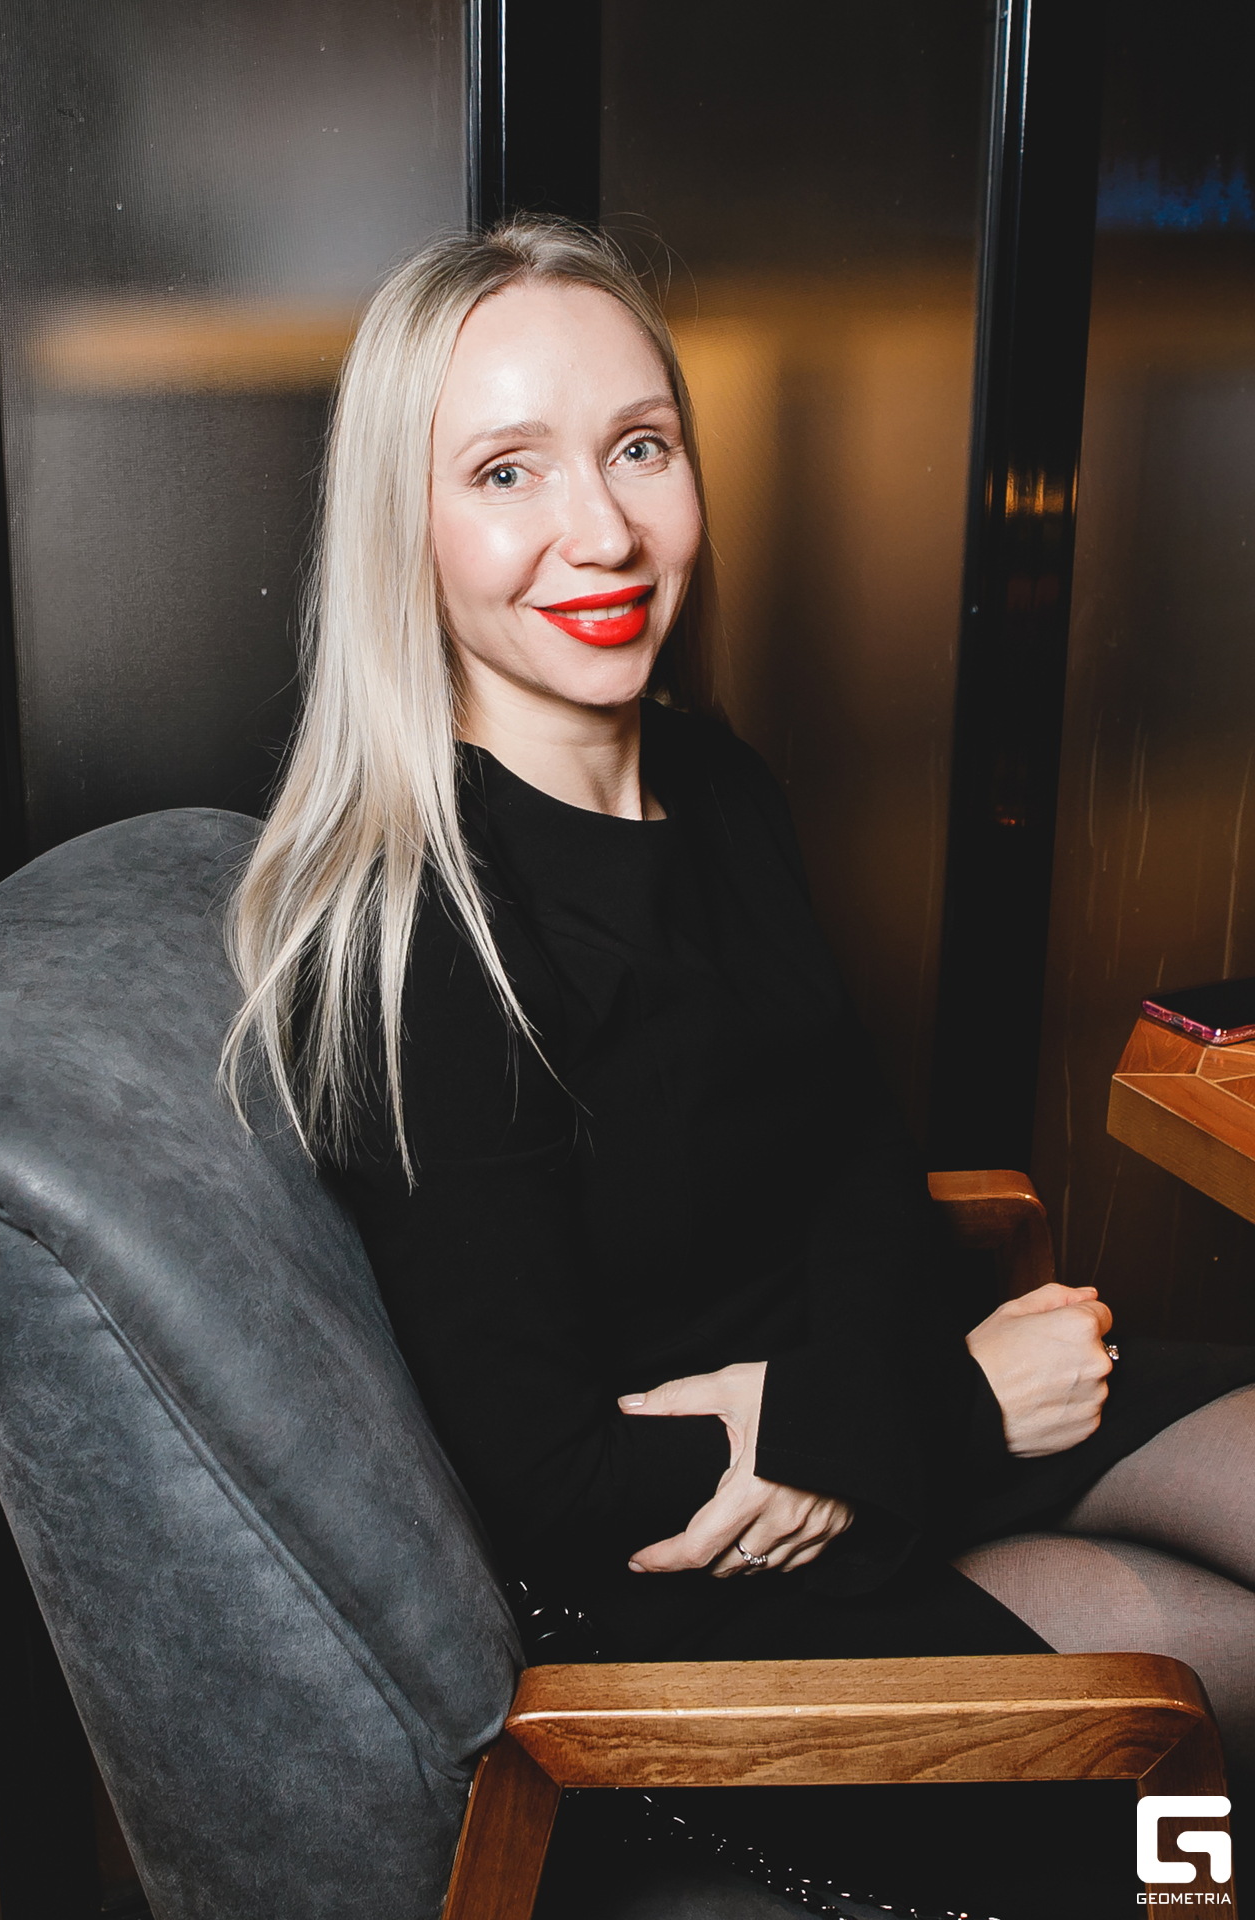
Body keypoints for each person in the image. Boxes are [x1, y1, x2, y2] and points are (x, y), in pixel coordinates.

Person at [222, 217, 1255, 1917]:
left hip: (848, 1422)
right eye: (506, 472)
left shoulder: (717, 786)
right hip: (705, 1587)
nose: (603, 528)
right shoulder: (417, 944)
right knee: (1216, 1693)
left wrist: (828, 1407)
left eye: (640, 447)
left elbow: (857, 1176)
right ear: (401, 530)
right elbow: (550, 1485)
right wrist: (951, 1401)